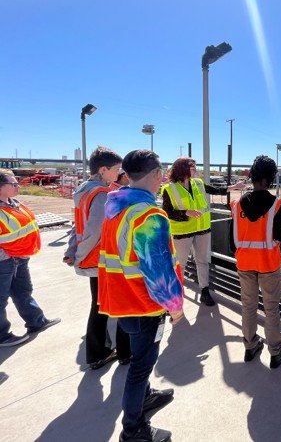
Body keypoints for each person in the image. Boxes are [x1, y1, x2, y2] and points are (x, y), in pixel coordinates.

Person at [98, 150, 184, 442]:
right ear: (157, 174)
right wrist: (175, 308)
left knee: (138, 357)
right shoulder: (149, 215)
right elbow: (159, 273)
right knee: (140, 366)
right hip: (144, 304)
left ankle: (145, 397)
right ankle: (133, 430)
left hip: (120, 300)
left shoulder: (116, 207)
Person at [63, 146, 131, 369]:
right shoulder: (102, 195)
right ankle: (108, 352)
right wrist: (80, 254)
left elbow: (78, 225)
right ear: (103, 170)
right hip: (101, 258)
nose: (118, 173)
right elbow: (95, 230)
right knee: (109, 305)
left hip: (93, 258)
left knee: (100, 305)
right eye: (116, 169)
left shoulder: (84, 191)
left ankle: (97, 353)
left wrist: (72, 250)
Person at [228, 155, 281, 368]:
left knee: (248, 306)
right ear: (270, 179)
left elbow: (232, 240)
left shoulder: (237, 204)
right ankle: (275, 351)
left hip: (244, 263)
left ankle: (250, 346)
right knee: (271, 309)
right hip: (268, 264)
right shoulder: (276, 204)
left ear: (252, 177)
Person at [161, 157, 233, 307]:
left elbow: (216, 190)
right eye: (192, 167)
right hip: (182, 232)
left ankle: (204, 291)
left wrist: (234, 187)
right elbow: (167, 211)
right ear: (182, 169)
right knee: (180, 264)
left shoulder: (198, 183)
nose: (195, 170)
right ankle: (175, 296)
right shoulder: (169, 188)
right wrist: (186, 212)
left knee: (202, 261)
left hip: (202, 229)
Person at [0, 171, 61, 347]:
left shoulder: (13, 203)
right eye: (13, 183)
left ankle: (36, 321)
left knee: (23, 291)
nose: (17, 185)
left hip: (19, 257)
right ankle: (2, 336)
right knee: (1, 299)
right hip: (4, 260)